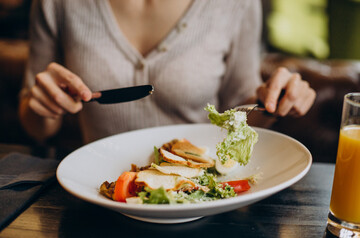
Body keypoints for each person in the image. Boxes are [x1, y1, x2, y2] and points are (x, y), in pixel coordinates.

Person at [19, 0, 316, 144]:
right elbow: (36, 125)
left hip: (200, 192)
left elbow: (240, 108)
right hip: (99, 194)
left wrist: (274, 101)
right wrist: (42, 106)